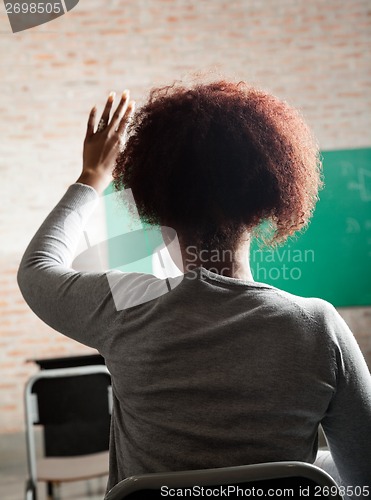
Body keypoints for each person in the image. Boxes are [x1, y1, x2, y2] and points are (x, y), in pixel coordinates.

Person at [17, 81, 371, 495]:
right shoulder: (318, 327)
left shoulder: (125, 309)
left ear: (158, 204)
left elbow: (36, 269)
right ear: (265, 201)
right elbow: (364, 478)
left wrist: (92, 177)